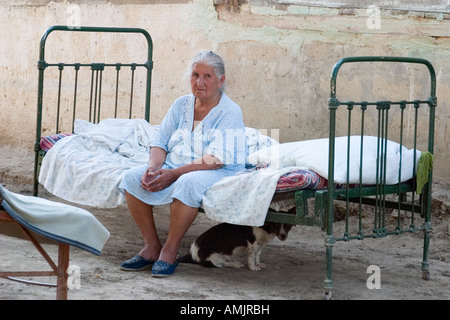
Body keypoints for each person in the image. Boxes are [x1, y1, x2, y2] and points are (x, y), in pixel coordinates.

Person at [118, 51, 246, 277]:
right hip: (177, 164)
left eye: (208, 76)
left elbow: (215, 159)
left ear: (221, 80)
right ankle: (151, 247)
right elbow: (160, 142)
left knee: (187, 182)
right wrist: (154, 168)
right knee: (131, 177)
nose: (200, 82)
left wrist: (173, 174)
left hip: (219, 169)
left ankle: (169, 250)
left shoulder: (229, 111)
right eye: (195, 75)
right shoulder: (181, 105)